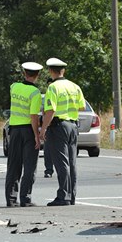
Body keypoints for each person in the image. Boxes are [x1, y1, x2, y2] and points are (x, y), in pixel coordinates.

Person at [39, 58, 85, 206]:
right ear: (63, 71)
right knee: (72, 163)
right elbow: (82, 107)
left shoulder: (53, 87)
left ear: (51, 71)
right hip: (73, 125)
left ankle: (63, 196)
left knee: (61, 163)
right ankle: (72, 195)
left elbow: (50, 110)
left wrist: (43, 129)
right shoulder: (74, 86)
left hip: (58, 126)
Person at [4, 62, 43, 207]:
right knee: (29, 166)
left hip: (14, 130)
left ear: (24, 73)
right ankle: (25, 199)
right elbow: (33, 117)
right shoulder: (35, 93)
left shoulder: (14, 87)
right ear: (37, 75)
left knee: (13, 165)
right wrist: (36, 136)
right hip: (28, 130)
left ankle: (11, 199)